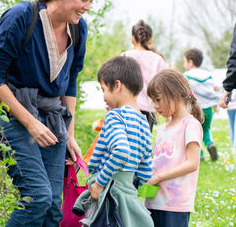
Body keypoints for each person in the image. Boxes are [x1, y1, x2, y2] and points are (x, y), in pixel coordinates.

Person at [0, 0, 97, 226]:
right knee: (36, 197)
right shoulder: (22, 16)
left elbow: (70, 81)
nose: (87, 7)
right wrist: (30, 122)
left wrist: (69, 134)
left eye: (91, 1)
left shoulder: (78, 28)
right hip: (11, 112)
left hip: (52, 117)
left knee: (51, 209)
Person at [76, 56, 154, 226]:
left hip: (108, 192)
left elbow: (120, 151)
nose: (104, 96)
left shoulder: (114, 116)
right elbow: (146, 171)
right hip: (129, 196)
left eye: (103, 89)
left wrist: (99, 183)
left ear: (117, 85)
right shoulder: (143, 122)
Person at [145, 69, 203, 227]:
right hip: (153, 200)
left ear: (175, 95)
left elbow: (192, 163)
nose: (156, 107)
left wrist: (159, 177)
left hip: (175, 204)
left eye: (158, 100)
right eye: (153, 101)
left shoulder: (190, 125)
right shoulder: (163, 129)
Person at [122, 20, 165, 132]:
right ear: (150, 41)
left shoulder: (125, 56)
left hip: (127, 106)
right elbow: (162, 86)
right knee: (143, 143)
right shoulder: (158, 59)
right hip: (148, 108)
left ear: (132, 39)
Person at [183, 48, 219, 161]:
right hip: (208, 109)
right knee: (206, 130)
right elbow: (215, 88)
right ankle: (210, 144)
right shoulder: (208, 75)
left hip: (194, 109)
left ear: (190, 61)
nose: (184, 64)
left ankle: (200, 155)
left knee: (194, 132)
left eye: (184, 61)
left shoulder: (186, 76)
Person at [226, 90, 236, 154]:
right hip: (230, 106)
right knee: (232, 126)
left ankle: (234, 146)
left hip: (230, 106)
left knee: (233, 126)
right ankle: (234, 146)